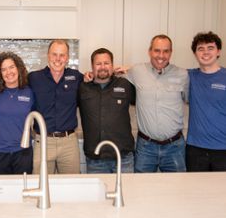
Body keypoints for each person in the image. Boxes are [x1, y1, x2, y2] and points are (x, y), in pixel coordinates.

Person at [125, 34, 189, 172]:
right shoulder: (137, 71)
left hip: (175, 147)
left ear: (171, 53)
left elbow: (191, 100)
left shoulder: (183, 75)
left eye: (166, 51)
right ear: (150, 51)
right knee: (142, 189)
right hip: (146, 147)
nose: (161, 55)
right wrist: (91, 74)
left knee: (178, 189)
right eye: (157, 50)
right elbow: (110, 73)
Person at [28, 39, 83, 174]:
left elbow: (95, 81)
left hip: (69, 142)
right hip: (43, 142)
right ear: (48, 55)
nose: (58, 59)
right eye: (54, 54)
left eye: (62, 55)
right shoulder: (33, 78)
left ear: (68, 58)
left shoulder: (76, 77)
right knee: (40, 186)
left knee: (71, 186)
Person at [78, 48, 136, 173]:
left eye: (106, 63)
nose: (102, 67)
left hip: (124, 158)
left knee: (127, 192)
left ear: (113, 65)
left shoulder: (125, 84)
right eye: (98, 64)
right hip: (95, 160)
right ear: (92, 66)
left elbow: (146, 90)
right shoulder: (82, 87)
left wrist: (131, 70)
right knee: (98, 193)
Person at [186, 31, 226, 171]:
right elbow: (161, 70)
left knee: (221, 192)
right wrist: (129, 68)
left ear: (218, 52)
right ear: (195, 53)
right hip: (195, 149)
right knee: (195, 192)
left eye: (210, 48)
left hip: (223, 149)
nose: (205, 52)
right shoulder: (188, 76)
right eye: (200, 49)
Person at [0, 51, 34, 175]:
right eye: (4, 69)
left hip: (23, 152)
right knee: (1, 191)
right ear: (0, 73)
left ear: (19, 68)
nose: (8, 72)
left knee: (23, 190)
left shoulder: (29, 92)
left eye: (11, 67)